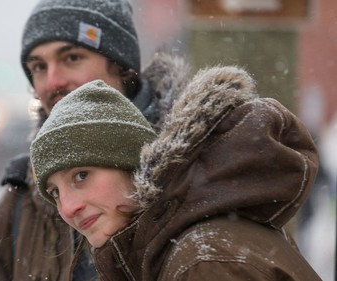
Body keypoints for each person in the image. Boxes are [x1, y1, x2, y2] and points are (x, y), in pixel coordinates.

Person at [30, 67, 322, 280]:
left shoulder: (204, 263)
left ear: (131, 165)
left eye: (81, 176)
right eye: (54, 192)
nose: (68, 208)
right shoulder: (183, 245)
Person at [0, 0, 188, 280]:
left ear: (121, 65)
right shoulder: (20, 206)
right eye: (38, 67)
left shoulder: (193, 167)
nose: (53, 81)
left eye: (71, 58)